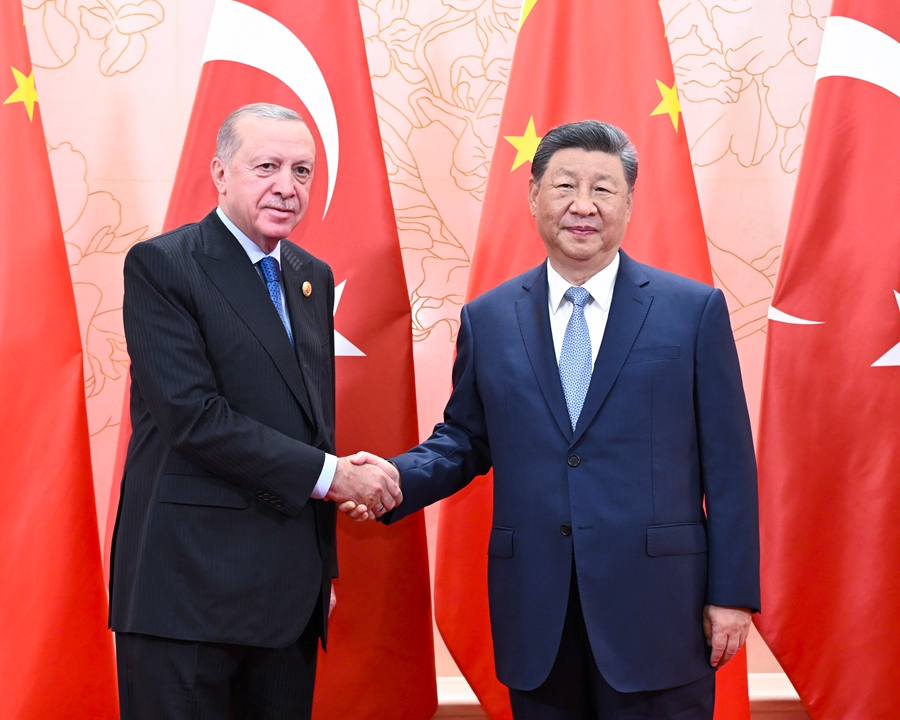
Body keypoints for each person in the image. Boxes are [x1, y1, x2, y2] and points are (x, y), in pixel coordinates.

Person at [351, 120, 760, 719]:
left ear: (629, 202)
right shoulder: (489, 318)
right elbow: (465, 439)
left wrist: (733, 594)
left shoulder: (692, 311)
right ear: (534, 196)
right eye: (565, 185)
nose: (583, 205)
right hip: (537, 610)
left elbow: (729, 465)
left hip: (660, 611)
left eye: (603, 189)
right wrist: (392, 478)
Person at [109, 103, 401, 720]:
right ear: (220, 172)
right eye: (266, 166)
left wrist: (320, 569)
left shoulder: (310, 276)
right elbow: (194, 418)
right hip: (186, 594)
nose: (286, 187)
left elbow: (312, 425)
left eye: (302, 171)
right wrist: (335, 476)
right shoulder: (164, 265)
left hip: (286, 601)